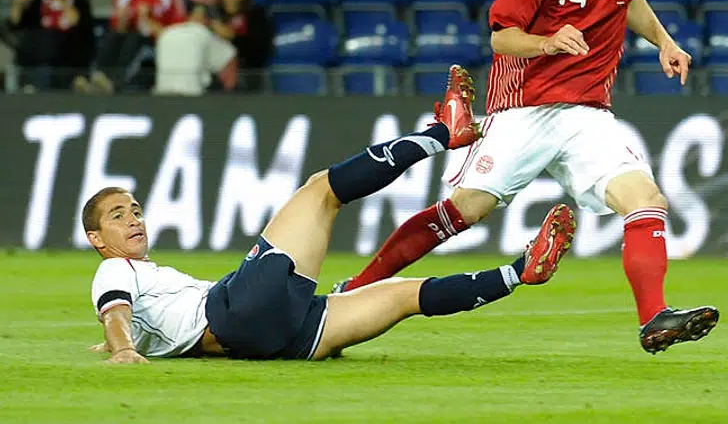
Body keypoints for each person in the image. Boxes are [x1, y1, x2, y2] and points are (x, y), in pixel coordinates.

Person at [338, 0, 720, 355]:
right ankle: (357, 289)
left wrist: (665, 42)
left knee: (646, 201)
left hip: (588, 111)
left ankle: (654, 318)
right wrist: (547, 42)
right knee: (463, 210)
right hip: (525, 107)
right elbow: (500, 37)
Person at [83, 67, 578, 361]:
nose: (134, 220)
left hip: (281, 341)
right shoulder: (114, 268)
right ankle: (446, 133)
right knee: (322, 190)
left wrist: (124, 342)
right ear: (97, 239)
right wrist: (122, 344)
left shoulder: (146, 286)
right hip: (236, 309)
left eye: (136, 210)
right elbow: (114, 304)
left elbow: (136, 317)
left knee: (403, 296)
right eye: (117, 217)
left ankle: (519, 272)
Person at [84, 0, 188, 93]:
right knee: (113, 36)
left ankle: (114, 84)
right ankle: (97, 76)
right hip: (130, 42)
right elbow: (118, 30)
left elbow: (181, 32)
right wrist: (123, 22)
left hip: (158, 44)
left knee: (136, 39)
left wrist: (153, 26)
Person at [7, 0, 94, 90]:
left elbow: (87, 38)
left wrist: (65, 5)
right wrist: (17, 6)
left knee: (54, 39)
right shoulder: (38, 1)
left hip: (68, 64)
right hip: (39, 63)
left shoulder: (80, 1)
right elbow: (15, 27)